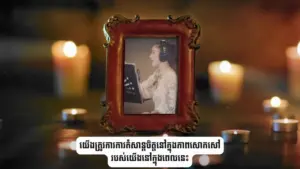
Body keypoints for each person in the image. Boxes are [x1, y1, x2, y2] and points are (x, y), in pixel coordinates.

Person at [138, 40, 178, 114]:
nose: (150, 56)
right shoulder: (157, 74)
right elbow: (144, 90)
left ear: (163, 55)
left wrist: (154, 114)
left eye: (153, 52)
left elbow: (172, 109)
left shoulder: (171, 76)